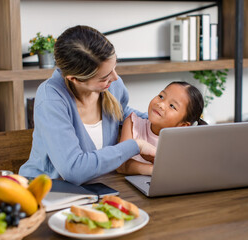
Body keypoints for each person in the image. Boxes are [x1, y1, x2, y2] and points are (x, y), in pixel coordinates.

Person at [19, 25, 156, 185]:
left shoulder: (113, 86)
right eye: (104, 77)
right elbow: (74, 170)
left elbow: (123, 113)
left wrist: (165, 123)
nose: (115, 78)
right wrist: (135, 146)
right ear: (74, 79)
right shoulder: (51, 98)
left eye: (114, 67)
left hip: (100, 187)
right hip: (48, 192)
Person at [116, 81, 207, 176]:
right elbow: (120, 165)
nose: (161, 104)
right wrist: (154, 170)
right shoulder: (132, 123)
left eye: (172, 106)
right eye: (161, 96)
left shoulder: (184, 143)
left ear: (183, 125)